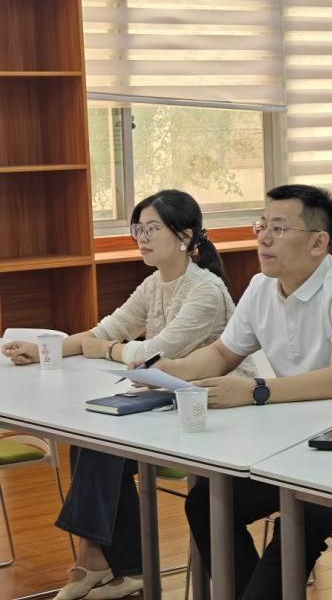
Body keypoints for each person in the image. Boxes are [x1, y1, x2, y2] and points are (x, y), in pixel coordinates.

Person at [152, 184, 332, 599]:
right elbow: (221, 354)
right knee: (206, 503)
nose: (264, 238)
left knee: (299, 520)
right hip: (295, 443)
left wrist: (255, 391)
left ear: (318, 242)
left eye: (279, 228)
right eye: (262, 225)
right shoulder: (261, 287)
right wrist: (167, 370)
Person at [2, 189, 250, 600]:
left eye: (152, 229)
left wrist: (110, 351)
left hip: (216, 407)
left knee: (102, 442)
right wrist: (44, 348)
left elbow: (153, 353)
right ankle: (121, 566)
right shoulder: (154, 284)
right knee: (92, 438)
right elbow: (104, 332)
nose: (142, 238)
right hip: (169, 400)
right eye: (138, 229)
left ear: (186, 237)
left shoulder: (205, 290)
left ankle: (98, 560)